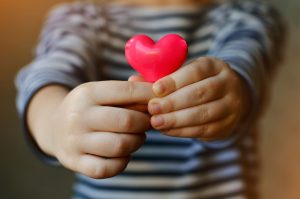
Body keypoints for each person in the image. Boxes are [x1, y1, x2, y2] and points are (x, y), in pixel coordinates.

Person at [15, 0, 285, 198]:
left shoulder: (248, 16)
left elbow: (247, 66)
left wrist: (232, 96)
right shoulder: (80, 18)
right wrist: (55, 122)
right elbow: (45, 77)